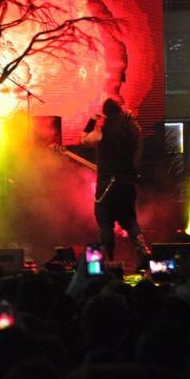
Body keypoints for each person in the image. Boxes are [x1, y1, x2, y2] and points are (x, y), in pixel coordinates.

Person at [80, 95, 150, 261]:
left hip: (108, 183)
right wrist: (130, 119)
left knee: (104, 220)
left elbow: (83, 140)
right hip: (128, 183)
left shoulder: (102, 132)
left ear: (105, 114)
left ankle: (108, 259)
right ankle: (143, 250)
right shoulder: (133, 130)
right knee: (129, 220)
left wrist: (92, 120)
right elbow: (135, 130)